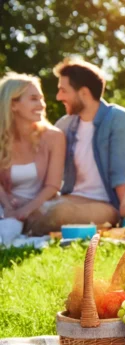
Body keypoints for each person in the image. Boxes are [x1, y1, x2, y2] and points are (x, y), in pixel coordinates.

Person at [25, 58, 125, 236]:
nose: (58, 97)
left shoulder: (120, 120)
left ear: (84, 93)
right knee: (34, 209)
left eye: (64, 91)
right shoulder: (65, 125)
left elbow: (121, 175)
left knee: (59, 213)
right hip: (71, 198)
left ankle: (21, 235)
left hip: (106, 204)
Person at [0, 73, 65, 244]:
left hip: (40, 206)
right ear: (13, 105)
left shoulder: (54, 137)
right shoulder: (2, 137)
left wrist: (24, 211)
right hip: (6, 206)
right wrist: (8, 207)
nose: (42, 105)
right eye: (34, 99)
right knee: (9, 225)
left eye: (41, 99)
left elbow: (53, 186)